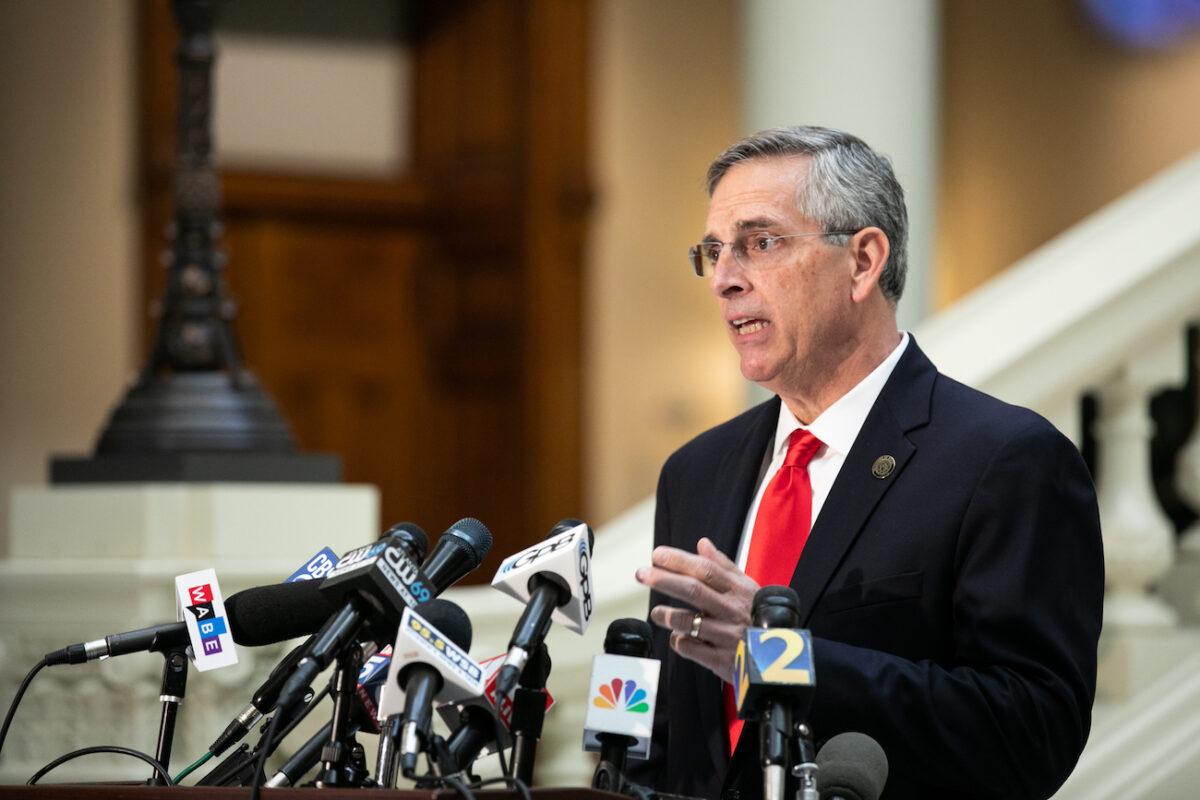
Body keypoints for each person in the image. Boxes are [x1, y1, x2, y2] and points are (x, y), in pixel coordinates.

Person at [631, 126, 1103, 800]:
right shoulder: (695, 471)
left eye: (760, 243)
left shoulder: (1006, 460)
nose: (726, 280)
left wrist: (782, 661)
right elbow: (667, 729)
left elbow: (1031, 729)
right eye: (713, 251)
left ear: (863, 261)